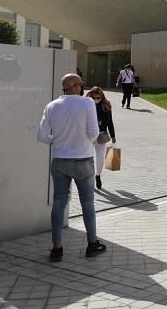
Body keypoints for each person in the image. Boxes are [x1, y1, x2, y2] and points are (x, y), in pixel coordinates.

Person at [36, 73, 107, 262]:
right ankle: (92, 244)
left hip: (60, 160)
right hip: (82, 160)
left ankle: (56, 247)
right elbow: (93, 133)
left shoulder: (51, 106)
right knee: (87, 203)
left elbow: (41, 136)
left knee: (59, 202)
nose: (83, 86)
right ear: (75, 86)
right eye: (81, 84)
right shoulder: (87, 104)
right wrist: (83, 141)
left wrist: (58, 141)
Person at [85, 87, 116, 190]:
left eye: (98, 97)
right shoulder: (87, 104)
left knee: (100, 157)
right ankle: (89, 178)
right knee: (88, 157)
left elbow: (110, 122)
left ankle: (98, 175)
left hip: (101, 134)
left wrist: (113, 135)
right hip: (88, 135)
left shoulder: (106, 105)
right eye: (94, 97)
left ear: (102, 96)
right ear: (91, 96)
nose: (96, 99)